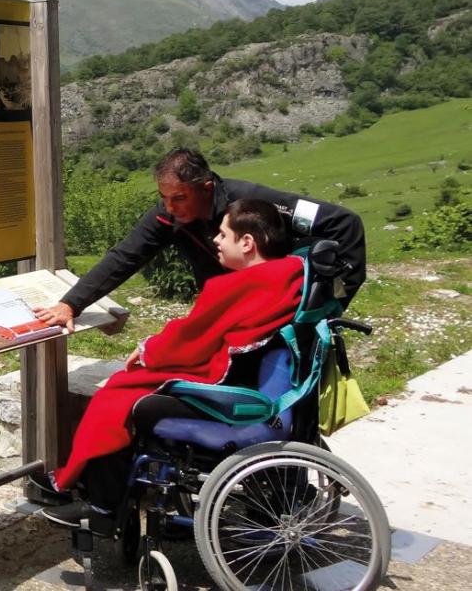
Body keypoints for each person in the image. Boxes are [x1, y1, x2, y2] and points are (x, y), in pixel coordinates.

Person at [35, 199, 305, 527]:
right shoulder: (290, 272)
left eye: (223, 235)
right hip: (258, 382)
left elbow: (192, 341)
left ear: (247, 242)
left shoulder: (235, 284)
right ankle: (94, 489)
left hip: (223, 388)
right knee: (124, 390)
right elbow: (205, 329)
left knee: (118, 398)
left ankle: (101, 505)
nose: (215, 241)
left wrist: (149, 349)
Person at [32, 147, 365, 332]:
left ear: (206, 189)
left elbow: (343, 224)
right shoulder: (169, 216)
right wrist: (70, 304)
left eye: (178, 198)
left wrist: (330, 299)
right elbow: (124, 257)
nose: (169, 207)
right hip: (228, 315)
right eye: (163, 197)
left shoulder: (251, 204)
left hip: (279, 312)